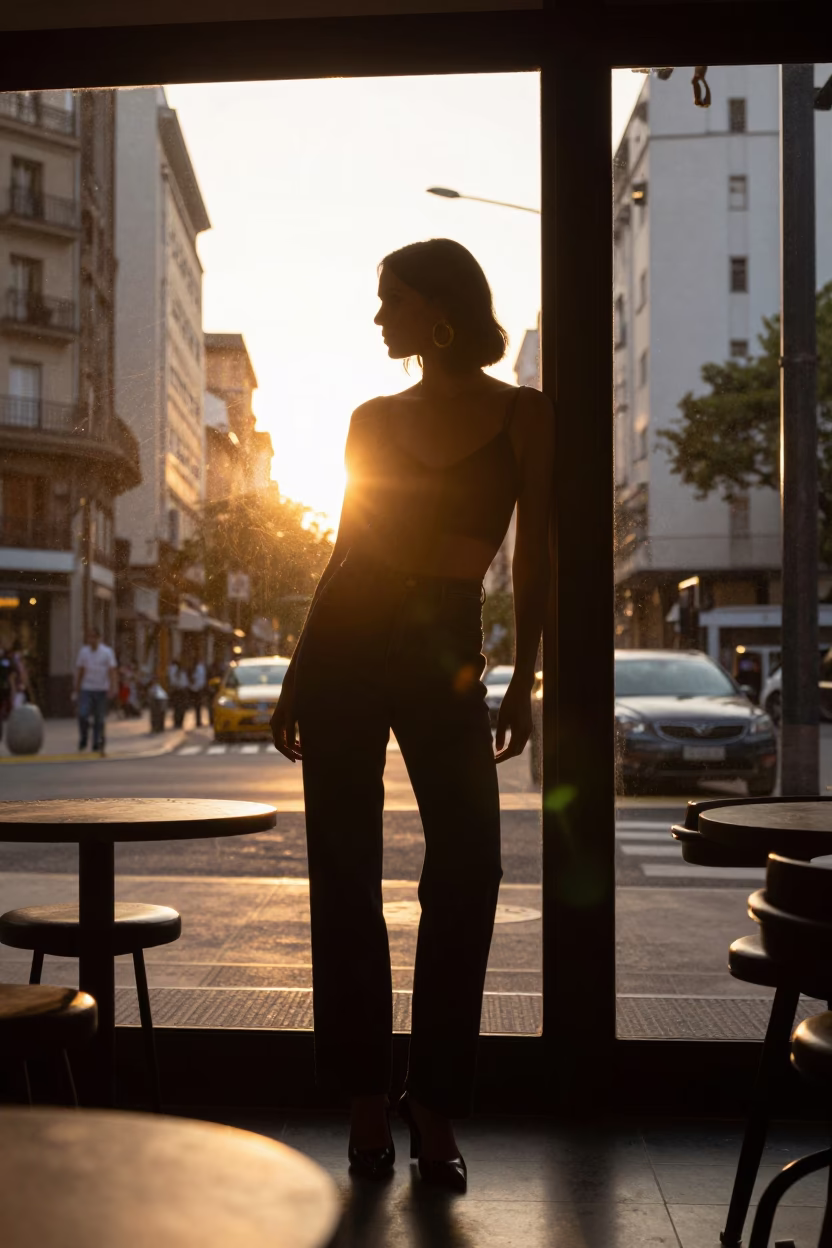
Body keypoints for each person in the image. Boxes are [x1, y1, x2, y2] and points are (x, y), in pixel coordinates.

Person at [270, 239, 553, 1189]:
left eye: (388, 299)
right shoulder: (368, 416)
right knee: (343, 872)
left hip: (448, 643)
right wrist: (298, 673)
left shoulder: (524, 412)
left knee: (470, 866)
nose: (377, 317)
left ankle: (433, 1102)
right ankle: (363, 1099)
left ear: (438, 309)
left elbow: (537, 556)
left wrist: (523, 678)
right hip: (351, 637)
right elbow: (346, 550)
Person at [74, 628, 118, 753]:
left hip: (101, 689)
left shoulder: (107, 652)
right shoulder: (84, 652)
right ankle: (83, 738)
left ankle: (96, 742)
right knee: (83, 714)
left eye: (94, 637)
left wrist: (112, 687)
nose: (91, 640)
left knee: (99, 718)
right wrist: (77, 688)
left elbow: (112, 670)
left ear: (99, 638)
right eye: (90, 637)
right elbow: (81, 670)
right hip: (86, 688)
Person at [167, 659, 189, 729]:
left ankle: (179, 722)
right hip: (178, 691)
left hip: (180, 691)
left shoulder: (181, 672)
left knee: (179, 708)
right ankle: (178, 722)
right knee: (177, 708)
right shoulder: (175, 671)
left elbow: (184, 682)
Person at [189, 657, 207, 727]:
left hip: (197, 689)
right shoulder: (199, 669)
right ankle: (198, 721)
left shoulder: (200, 668)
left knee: (198, 706)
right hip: (196, 689)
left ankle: (198, 720)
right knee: (197, 706)